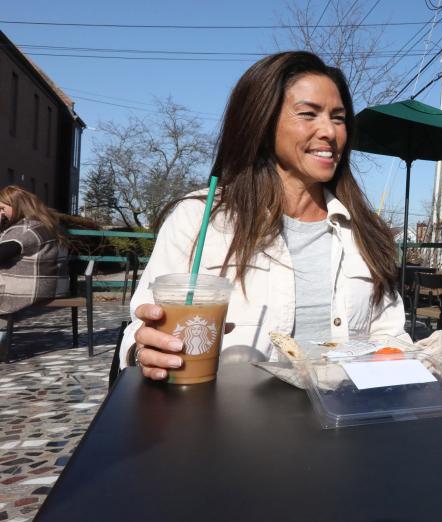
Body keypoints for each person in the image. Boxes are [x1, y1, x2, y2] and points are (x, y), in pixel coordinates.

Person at [120, 51, 406, 380]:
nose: (329, 131)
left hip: (343, 422)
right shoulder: (199, 218)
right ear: (263, 121)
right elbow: (141, 333)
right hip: (223, 424)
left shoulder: (364, 232)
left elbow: (390, 339)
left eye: (338, 118)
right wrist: (145, 351)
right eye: (308, 114)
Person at [0, 185, 69, 317]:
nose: (2, 213)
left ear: (17, 206)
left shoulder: (26, 229)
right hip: (54, 286)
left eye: (3, 209)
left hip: (33, 288)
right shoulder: (47, 225)